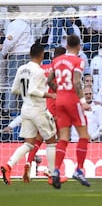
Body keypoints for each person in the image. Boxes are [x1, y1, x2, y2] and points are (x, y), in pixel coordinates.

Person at [1, 43, 57, 186]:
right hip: (38, 110)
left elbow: (14, 90)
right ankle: (51, 174)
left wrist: (25, 94)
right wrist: (50, 95)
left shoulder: (21, 68)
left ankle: (8, 165)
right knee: (51, 140)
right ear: (41, 55)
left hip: (26, 109)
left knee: (29, 144)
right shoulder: (38, 71)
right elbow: (32, 90)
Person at [47, 34, 91, 189]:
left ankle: (56, 170)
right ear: (78, 46)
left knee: (63, 137)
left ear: (66, 46)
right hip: (72, 100)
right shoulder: (79, 60)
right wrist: (83, 101)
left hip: (59, 100)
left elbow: (49, 80)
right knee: (84, 135)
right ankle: (79, 169)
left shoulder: (56, 60)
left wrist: (58, 91)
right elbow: (76, 81)